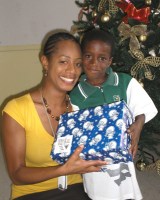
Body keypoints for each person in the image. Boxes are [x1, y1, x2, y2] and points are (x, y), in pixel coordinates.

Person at [1, 31, 107, 200]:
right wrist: (64, 169)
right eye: (64, 61)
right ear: (45, 62)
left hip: (75, 188)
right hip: (31, 193)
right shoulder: (16, 110)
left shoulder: (79, 108)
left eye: (78, 64)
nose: (72, 70)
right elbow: (17, 175)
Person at [70, 29, 158, 200]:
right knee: (99, 192)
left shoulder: (125, 83)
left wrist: (138, 125)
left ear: (110, 61)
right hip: (94, 161)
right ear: (81, 57)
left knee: (125, 190)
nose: (94, 63)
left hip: (123, 155)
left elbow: (143, 108)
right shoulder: (76, 95)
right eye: (88, 56)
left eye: (102, 58)